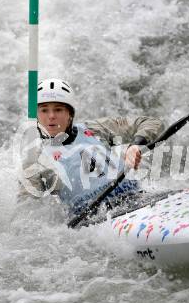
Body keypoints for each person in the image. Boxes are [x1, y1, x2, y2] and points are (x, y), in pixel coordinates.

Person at [17, 78, 164, 215]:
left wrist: (135, 146)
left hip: (139, 199)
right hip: (96, 220)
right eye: (44, 110)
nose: (51, 116)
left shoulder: (95, 129)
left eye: (58, 109)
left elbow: (151, 123)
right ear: (36, 115)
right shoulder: (34, 160)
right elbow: (26, 212)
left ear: (70, 114)